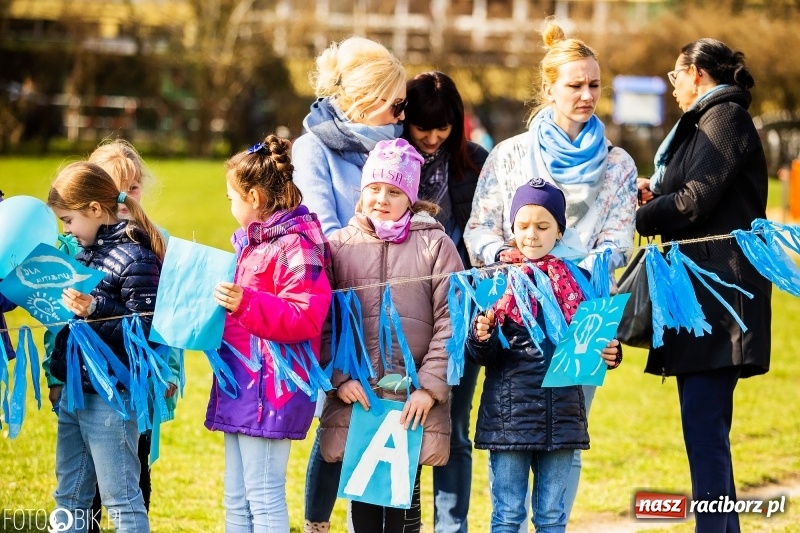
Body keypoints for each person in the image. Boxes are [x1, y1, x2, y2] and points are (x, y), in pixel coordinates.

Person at [463, 19, 637, 521]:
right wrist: (511, 260)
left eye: (594, 85)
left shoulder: (619, 165)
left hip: (584, 314)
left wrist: (575, 284)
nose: (586, 96)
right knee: (514, 437)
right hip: (516, 314)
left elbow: (617, 242)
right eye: (574, 85)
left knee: (566, 436)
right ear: (549, 88)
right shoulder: (511, 155)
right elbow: (479, 231)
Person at [635, 39, 770, 533]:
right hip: (699, 295)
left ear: (695, 72)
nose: (673, 87)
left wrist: (640, 213)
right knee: (705, 432)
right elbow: (684, 192)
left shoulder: (725, 118)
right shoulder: (702, 123)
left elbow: (695, 201)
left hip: (720, 300)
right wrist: (657, 193)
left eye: (675, 76)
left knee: (705, 431)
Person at [291, 35, 406, 533]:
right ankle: (317, 523)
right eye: (396, 103)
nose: (403, 114)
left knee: (374, 417)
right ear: (367, 99)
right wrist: (372, 246)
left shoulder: (392, 147)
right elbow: (319, 226)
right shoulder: (313, 146)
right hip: (337, 303)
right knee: (336, 417)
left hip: (388, 301)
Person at [318, 138, 463, 532]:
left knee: (404, 500)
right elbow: (323, 322)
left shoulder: (436, 245)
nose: (382, 198)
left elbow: (453, 320)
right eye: (375, 188)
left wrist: (430, 388)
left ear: (411, 199)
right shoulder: (338, 247)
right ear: (362, 193)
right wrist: (339, 379)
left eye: (395, 191)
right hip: (360, 398)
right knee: (363, 499)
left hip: (410, 400)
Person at [467, 179, 621, 532]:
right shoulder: (495, 281)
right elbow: (479, 353)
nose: (531, 235)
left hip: (562, 418)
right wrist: (481, 334)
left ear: (559, 230)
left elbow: (595, 347)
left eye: (542, 226)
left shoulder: (579, 282)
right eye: (522, 226)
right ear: (512, 228)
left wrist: (611, 354)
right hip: (510, 421)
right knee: (507, 516)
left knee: (552, 518)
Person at [43, 140, 180, 532]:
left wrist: (96, 309)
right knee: (69, 496)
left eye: (68, 220)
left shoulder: (136, 255)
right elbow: (69, 334)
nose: (66, 230)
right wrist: (58, 374)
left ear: (94, 210)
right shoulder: (82, 255)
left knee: (121, 501)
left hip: (112, 401)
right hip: (75, 394)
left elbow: (148, 329)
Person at [205, 135, 332, 532]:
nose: (229, 205)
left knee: (263, 495)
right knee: (236, 497)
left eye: (231, 197)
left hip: (272, 391)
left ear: (255, 198)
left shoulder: (297, 246)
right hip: (241, 387)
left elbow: (304, 315)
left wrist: (244, 303)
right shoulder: (251, 246)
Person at [402, 70, 488, 533]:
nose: (433, 138)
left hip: (462, 312)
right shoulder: (392, 163)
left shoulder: (475, 162)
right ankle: (407, 522)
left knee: (455, 426)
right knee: (406, 420)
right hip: (404, 312)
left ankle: (451, 526)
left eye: (444, 128)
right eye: (423, 127)